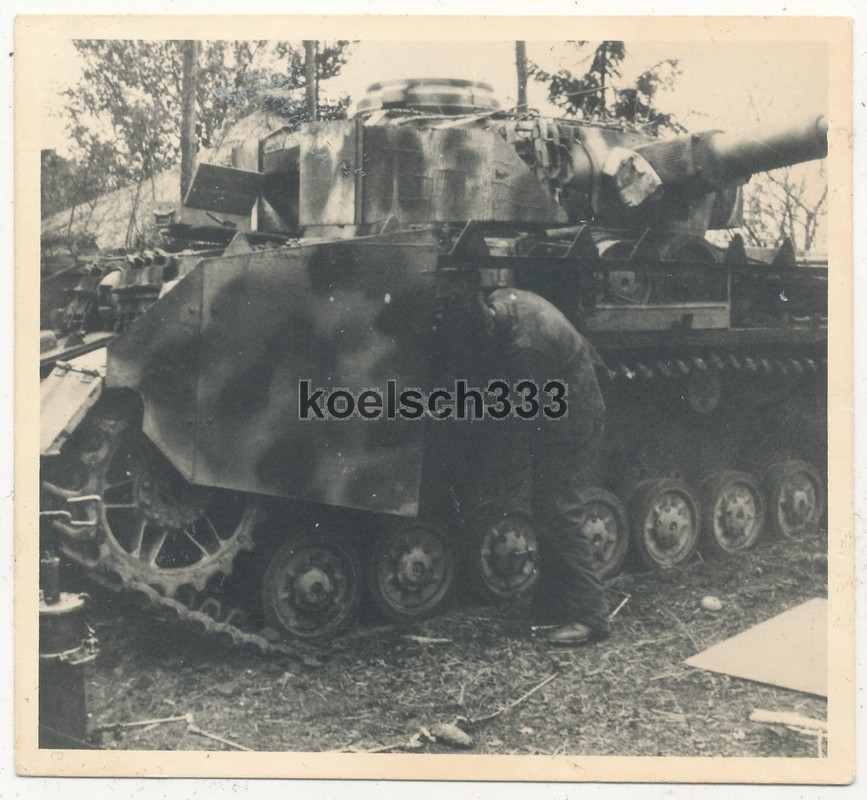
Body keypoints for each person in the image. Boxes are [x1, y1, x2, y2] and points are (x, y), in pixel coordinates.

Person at [478, 288, 611, 645]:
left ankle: (592, 616)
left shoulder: (526, 349)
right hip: (565, 404)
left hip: (572, 418)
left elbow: (511, 409)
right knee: (546, 507)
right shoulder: (504, 300)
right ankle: (553, 603)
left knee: (560, 510)